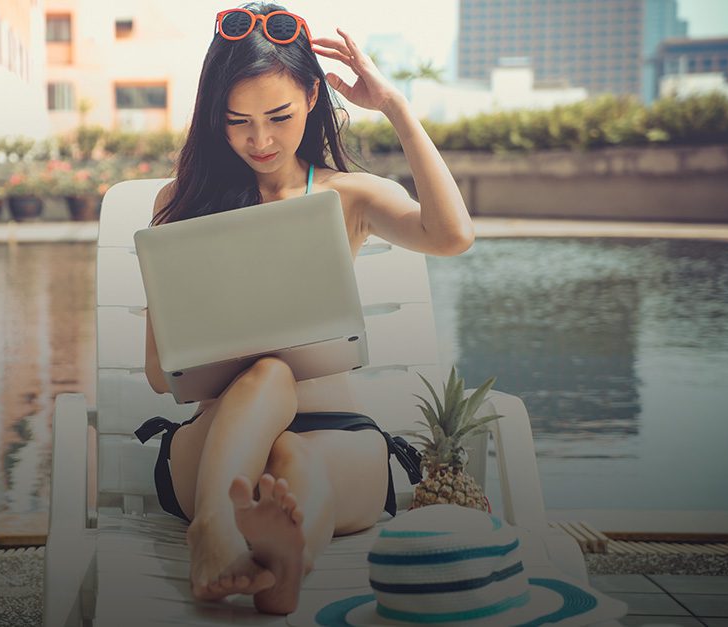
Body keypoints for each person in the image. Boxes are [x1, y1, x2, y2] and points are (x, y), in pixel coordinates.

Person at [134, 2, 474, 616]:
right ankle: (221, 532)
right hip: (216, 445)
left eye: (278, 117)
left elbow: (453, 237)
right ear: (214, 117)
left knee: (295, 458)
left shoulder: (349, 196)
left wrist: (395, 106)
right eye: (237, 121)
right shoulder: (179, 204)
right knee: (269, 377)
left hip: (335, 438)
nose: (259, 140)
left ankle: (279, 563)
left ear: (314, 96)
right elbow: (161, 374)